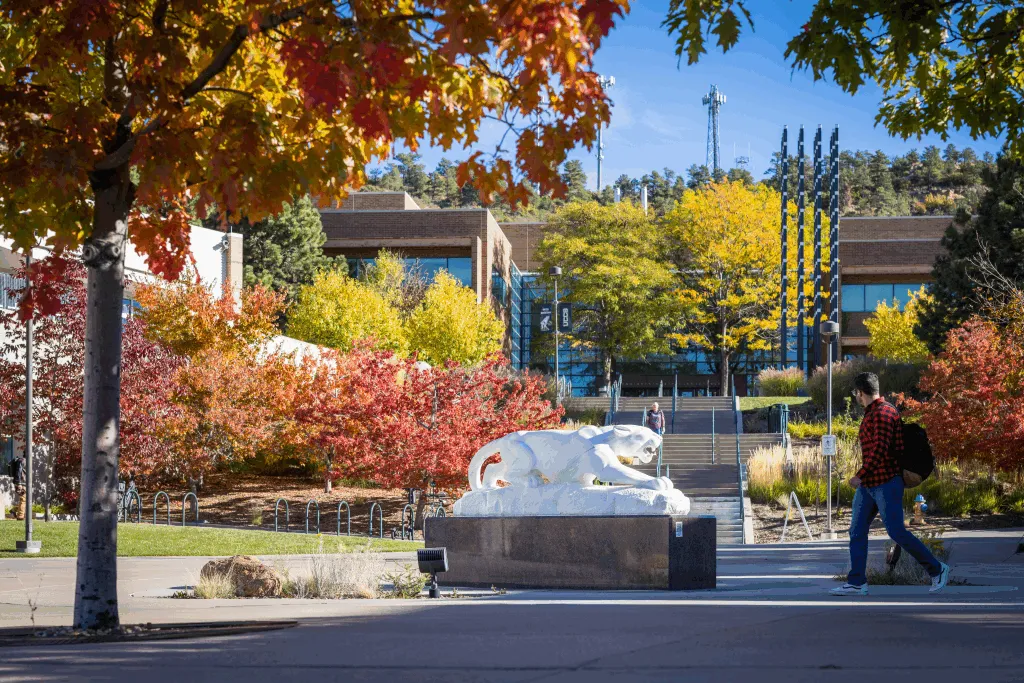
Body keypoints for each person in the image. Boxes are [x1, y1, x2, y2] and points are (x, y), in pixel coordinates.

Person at [830, 372, 949, 596]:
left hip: (886, 482)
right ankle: (857, 582)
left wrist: (860, 475)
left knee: (896, 532)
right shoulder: (872, 413)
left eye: (856, 393)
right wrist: (865, 479)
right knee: (856, 531)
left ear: (860, 393)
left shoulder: (884, 412)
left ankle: (937, 569)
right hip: (870, 486)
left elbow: (880, 450)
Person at [10, 453, 25, 521]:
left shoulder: (26, 461)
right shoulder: (22, 461)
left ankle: (14, 510)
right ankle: (20, 517)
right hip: (21, 483)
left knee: (26, 500)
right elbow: (18, 471)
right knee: (23, 499)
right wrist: (19, 483)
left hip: (25, 483)